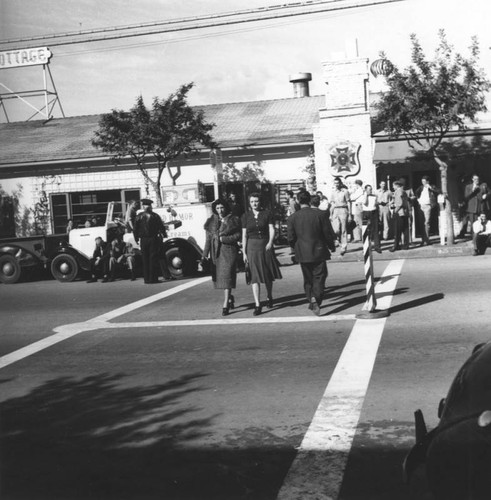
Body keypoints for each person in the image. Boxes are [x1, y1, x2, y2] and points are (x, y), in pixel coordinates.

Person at [287, 190, 336, 316]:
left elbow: (291, 238)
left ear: (297, 201)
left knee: (308, 278)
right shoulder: (320, 214)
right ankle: (316, 298)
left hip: (302, 252)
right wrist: (331, 246)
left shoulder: (293, 217)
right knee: (320, 276)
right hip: (318, 250)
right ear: (309, 200)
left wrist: (295, 248)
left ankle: (310, 297)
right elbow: (327, 233)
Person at [242, 192, 282, 315]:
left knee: (267, 273)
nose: (254, 203)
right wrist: (244, 252)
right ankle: (257, 304)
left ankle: (269, 296)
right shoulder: (245, 216)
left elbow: (271, 228)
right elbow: (244, 235)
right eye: (252, 201)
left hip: (265, 246)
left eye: (256, 201)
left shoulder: (267, 214)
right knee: (255, 277)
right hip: (252, 248)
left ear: (260, 202)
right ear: (249, 203)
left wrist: (270, 242)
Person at [202, 199, 242, 316]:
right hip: (216, 253)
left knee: (227, 276)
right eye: (218, 208)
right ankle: (229, 297)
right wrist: (204, 256)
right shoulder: (210, 222)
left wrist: (224, 239)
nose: (220, 210)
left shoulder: (233, 219)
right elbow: (208, 240)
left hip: (229, 252)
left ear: (226, 208)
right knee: (220, 279)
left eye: (222, 207)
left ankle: (225, 304)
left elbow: (238, 235)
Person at [133, 198, 167, 284]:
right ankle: (153, 278)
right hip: (153, 238)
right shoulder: (155, 216)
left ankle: (146, 279)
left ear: (143, 206)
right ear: (150, 206)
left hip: (143, 239)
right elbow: (161, 227)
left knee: (145, 259)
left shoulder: (139, 216)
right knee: (153, 259)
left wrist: (136, 238)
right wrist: (164, 234)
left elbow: (135, 229)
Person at [329, 176, 351, 256]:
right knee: (336, 229)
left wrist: (349, 214)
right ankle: (338, 241)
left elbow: (348, 202)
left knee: (343, 229)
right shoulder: (333, 192)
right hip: (335, 210)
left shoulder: (345, 191)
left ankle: (343, 247)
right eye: (335, 183)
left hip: (343, 209)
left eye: (337, 183)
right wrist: (330, 214)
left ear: (340, 183)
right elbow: (332, 204)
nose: (336, 185)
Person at [415, 176, 439, 246]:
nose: (423, 183)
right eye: (422, 182)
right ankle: (423, 240)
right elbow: (416, 193)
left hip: (428, 206)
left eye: (424, 182)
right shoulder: (421, 187)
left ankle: (427, 239)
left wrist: (431, 188)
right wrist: (418, 200)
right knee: (421, 222)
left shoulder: (432, 187)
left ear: (428, 181)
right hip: (421, 206)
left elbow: (438, 191)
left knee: (427, 222)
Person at [390, 180, 410, 252]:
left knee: (397, 230)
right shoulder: (403, 191)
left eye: (393, 185)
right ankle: (406, 245)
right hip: (405, 212)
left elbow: (399, 203)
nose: (393, 187)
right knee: (405, 229)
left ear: (396, 185)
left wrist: (395, 211)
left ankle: (396, 246)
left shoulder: (398, 192)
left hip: (399, 212)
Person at [361, 185, 382, 253]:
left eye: (371, 189)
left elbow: (376, 205)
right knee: (366, 230)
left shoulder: (374, 196)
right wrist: (366, 195)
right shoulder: (363, 196)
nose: (370, 190)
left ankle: (377, 246)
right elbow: (365, 203)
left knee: (376, 229)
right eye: (369, 189)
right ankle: (366, 247)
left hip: (374, 212)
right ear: (366, 190)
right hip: (366, 212)